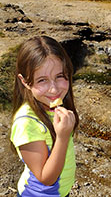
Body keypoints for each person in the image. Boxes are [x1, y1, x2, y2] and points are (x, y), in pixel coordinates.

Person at [10, 36, 79, 197]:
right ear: (25, 81)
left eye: (60, 76)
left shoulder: (53, 105)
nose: (54, 90)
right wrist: (62, 137)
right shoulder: (26, 124)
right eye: (42, 80)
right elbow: (46, 178)